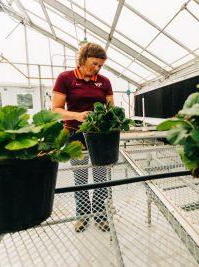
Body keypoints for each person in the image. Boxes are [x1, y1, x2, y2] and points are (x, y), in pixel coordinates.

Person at [52, 42, 114, 233]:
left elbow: (111, 110)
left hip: (99, 135)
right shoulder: (66, 78)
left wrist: (107, 120)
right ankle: (83, 216)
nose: (97, 68)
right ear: (83, 58)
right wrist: (77, 116)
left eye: (100, 66)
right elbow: (56, 111)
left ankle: (101, 216)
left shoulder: (104, 82)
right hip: (75, 134)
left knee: (101, 176)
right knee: (80, 177)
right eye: (94, 63)